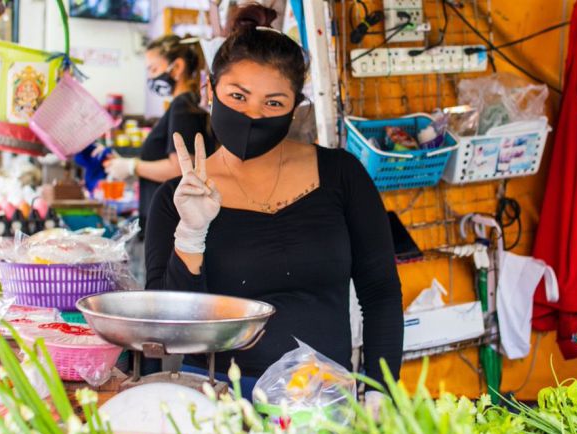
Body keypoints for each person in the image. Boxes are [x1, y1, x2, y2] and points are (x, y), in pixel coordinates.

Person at [145, 4, 403, 398]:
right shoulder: (175, 200)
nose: (252, 114)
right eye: (237, 95)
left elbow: (381, 291)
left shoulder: (341, 174)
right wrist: (191, 234)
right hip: (219, 406)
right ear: (208, 91)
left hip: (323, 406)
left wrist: (382, 392)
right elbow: (165, 327)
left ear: (294, 107)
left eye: (273, 103)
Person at [105, 35, 214, 236]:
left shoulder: (183, 106)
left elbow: (181, 169)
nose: (151, 77)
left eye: (154, 69)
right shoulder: (181, 105)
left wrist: (133, 166)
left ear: (177, 67)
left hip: (172, 223)